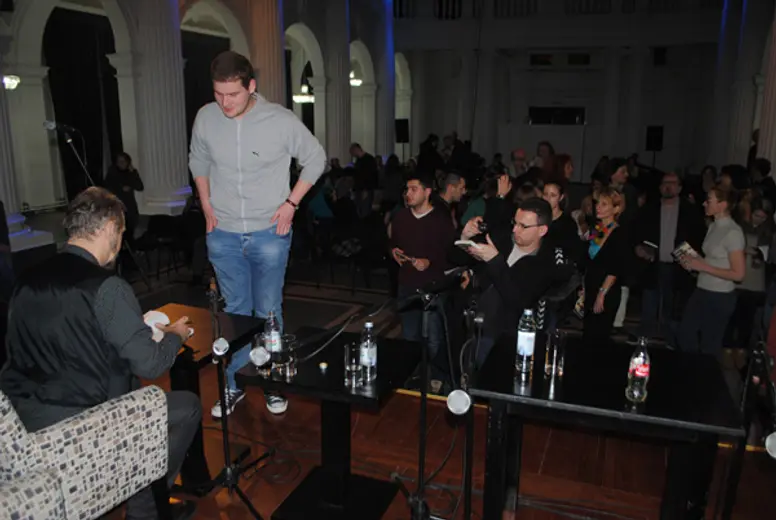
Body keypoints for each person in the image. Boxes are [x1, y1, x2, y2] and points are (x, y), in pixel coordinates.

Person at [0, 187, 201, 520]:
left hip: (23, 417)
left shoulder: (27, 279)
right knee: (186, 407)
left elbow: (54, 334)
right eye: (121, 233)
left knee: (135, 394)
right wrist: (176, 336)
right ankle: (146, 508)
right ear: (109, 228)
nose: (120, 243)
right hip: (82, 420)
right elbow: (151, 364)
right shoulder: (107, 287)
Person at [189, 51, 326, 417]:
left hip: (269, 232)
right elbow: (198, 159)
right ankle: (234, 384)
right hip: (223, 234)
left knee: (268, 313)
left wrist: (292, 203)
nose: (225, 103)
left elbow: (316, 158)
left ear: (251, 86)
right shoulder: (206, 117)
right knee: (234, 313)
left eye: (233, 94)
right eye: (218, 94)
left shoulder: (279, 120)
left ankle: (271, 382)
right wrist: (206, 204)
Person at [457, 197, 574, 365]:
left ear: (542, 230)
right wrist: (464, 236)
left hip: (509, 337)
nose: (515, 229)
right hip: (476, 324)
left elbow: (519, 299)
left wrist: (495, 261)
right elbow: (454, 259)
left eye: (523, 226)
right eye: (515, 223)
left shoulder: (546, 261)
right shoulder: (501, 239)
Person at [678, 185, 745, 356]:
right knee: (685, 333)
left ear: (723, 205)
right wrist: (693, 260)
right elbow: (713, 258)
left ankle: (703, 371)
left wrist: (702, 266)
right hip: (702, 289)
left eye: (709, 200)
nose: (704, 204)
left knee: (709, 344)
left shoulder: (733, 232)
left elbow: (738, 274)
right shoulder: (713, 225)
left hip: (719, 295)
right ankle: (693, 368)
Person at [582, 187, 628, 343]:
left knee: (600, 335)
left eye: (604, 204)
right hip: (591, 286)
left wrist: (602, 294)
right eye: (598, 203)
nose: (598, 207)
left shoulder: (620, 233)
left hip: (606, 290)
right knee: (588, 334)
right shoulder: (597, 229)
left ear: (616, 209)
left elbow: (615, 268)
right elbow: (589, 260)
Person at [104, 152, 144, 244]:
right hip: (117, 205)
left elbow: (140, 187)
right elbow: (107, 187)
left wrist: (133, 172)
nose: (121, 164)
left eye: (123, 161)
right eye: (119, 161)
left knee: (131, 227)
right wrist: (120, 188)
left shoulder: (130, 173)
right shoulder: (113, 172)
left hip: (129, 206)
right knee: (120, 231)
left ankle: (130, 247)